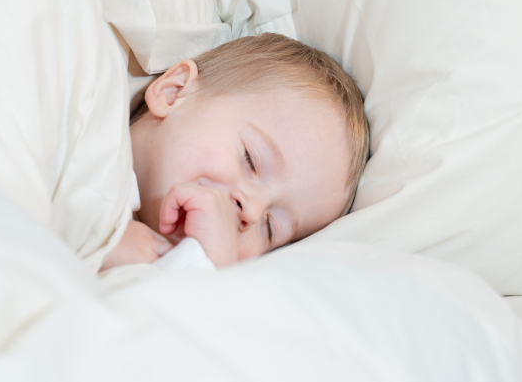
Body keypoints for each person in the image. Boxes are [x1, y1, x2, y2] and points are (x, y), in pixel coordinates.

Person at [100, 33, 369, 270]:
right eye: (250, 161)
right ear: (175, 92)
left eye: (270, 227)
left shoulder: (192, 286)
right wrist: (95, 244)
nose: (250, 211)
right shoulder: (84, 130)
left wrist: (201, 270)